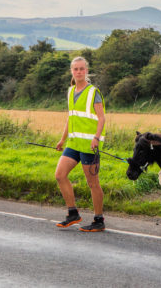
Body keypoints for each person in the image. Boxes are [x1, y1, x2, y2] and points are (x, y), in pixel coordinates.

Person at [55, 56, 106, 232]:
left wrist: (96, 138)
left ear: (86, 71)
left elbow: (101, 118)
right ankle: (73, 213)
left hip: (89, 146)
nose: (78, 72)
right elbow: (71, 117)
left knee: (93, 184)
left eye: (81, 69)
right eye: (75, 69)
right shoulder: (70, 91)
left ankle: (99, 220)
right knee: (60, 175)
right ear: (71, 71)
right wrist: (63, 139)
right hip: (73, 143)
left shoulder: (94, 92)